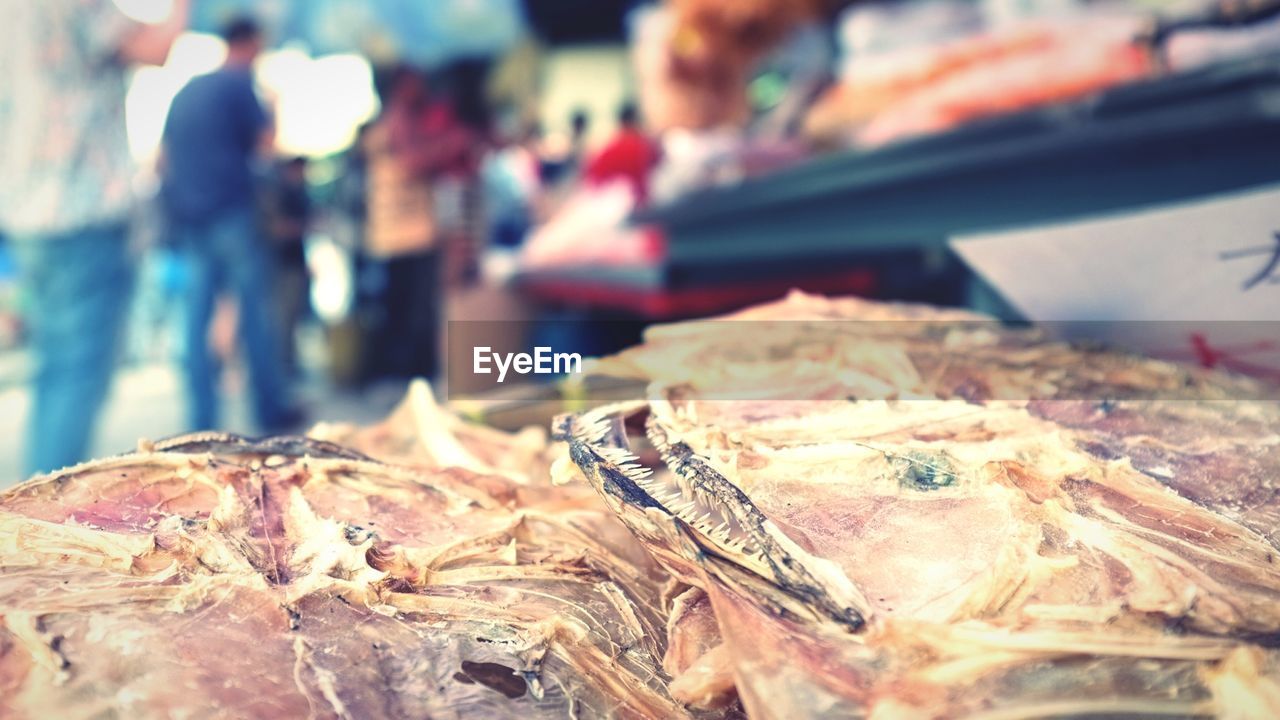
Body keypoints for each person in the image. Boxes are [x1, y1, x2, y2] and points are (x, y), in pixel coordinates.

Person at [0, 0, 186, 476]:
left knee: (56, 369)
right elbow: (156, 46)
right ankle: (48, 521)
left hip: (28, 212)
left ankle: (38, 505)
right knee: (76, 376)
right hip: (79, 209)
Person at [161, 16, 299, 432]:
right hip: (231, 216)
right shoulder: (240, 84)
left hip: (190, 219)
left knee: (196, 323)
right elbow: (267, 145)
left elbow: (163, 158)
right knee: (255, 314)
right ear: (252, 42)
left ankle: (201, 422)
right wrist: (274, 105)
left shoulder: (188, 89)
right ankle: (270, 410)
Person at [264, 156, 311, 375]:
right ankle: (283, 366)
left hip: (293, 263)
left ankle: (287, 363)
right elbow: (276, 229)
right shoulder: (279, 191)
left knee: (292, 317)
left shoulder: (297, 191)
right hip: (282, 265)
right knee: (283, 318)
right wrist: (303, 227)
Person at [583, 103, 661, 205]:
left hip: (607, 204)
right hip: (640, 204)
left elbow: (592, 178)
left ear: (620, 121)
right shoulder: (646, 145)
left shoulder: (609, 146)